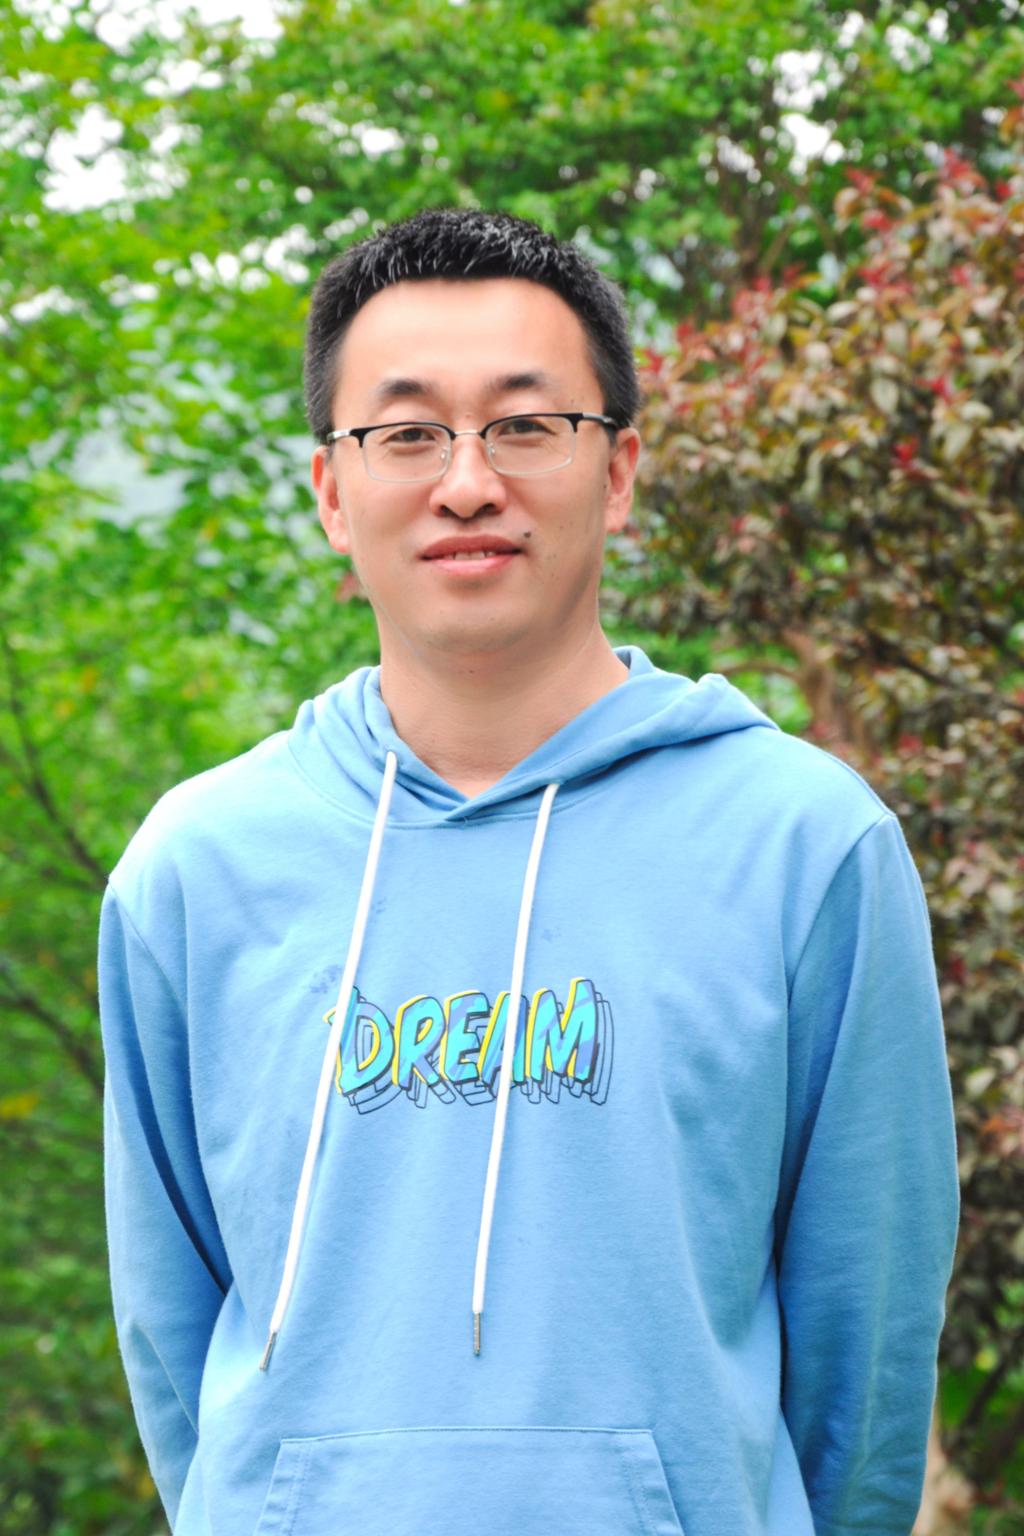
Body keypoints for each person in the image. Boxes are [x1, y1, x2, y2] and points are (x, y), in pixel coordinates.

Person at [99, 208, 959, 1536]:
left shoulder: (804, 846)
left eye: (522, 425)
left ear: (617, 472)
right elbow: (172, 1334)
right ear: (331, 492)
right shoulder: (198, 869)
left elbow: (867, 1349)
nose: (466, 483)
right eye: (406, 434)